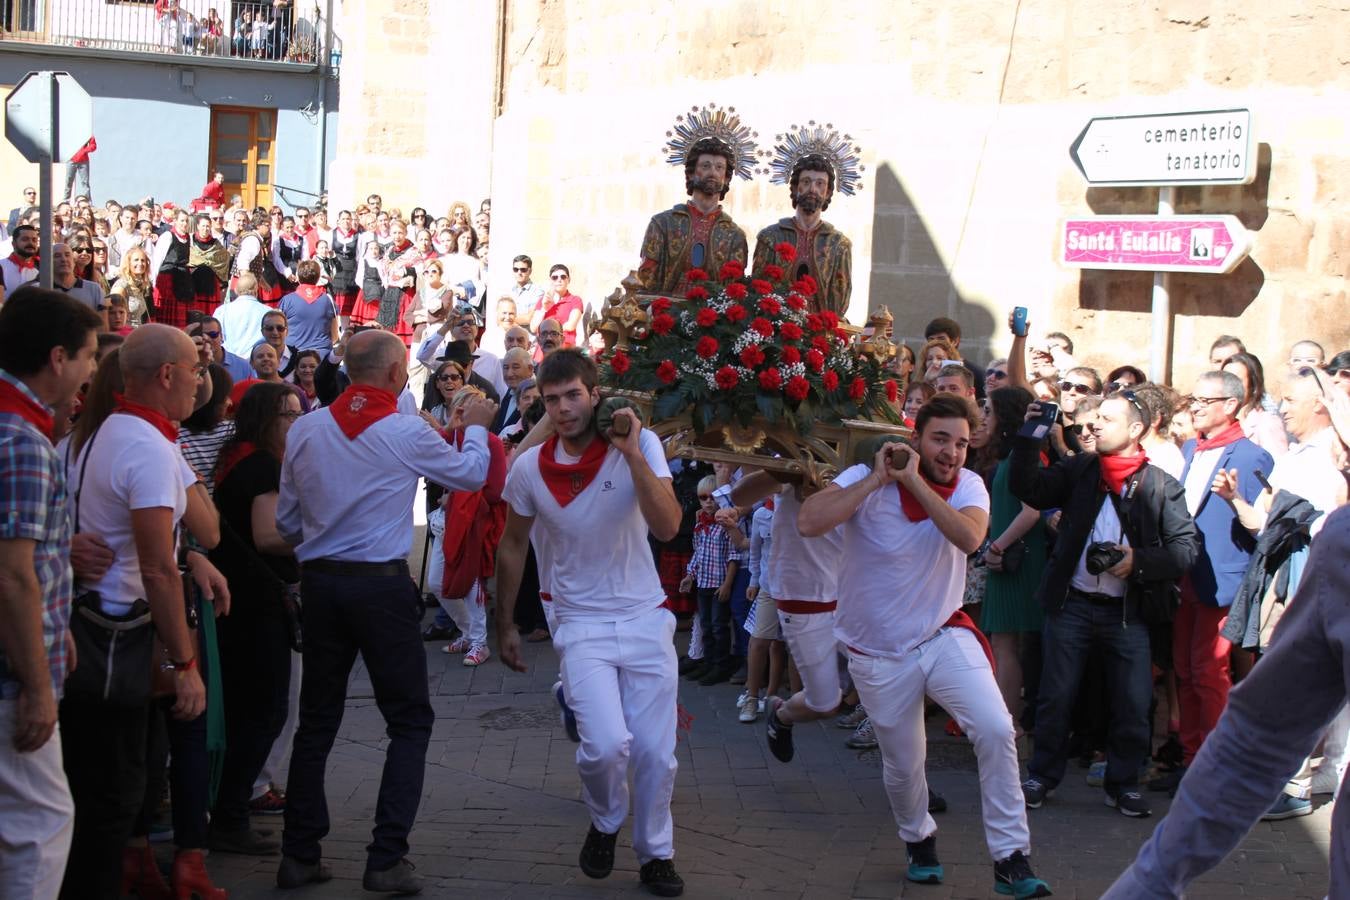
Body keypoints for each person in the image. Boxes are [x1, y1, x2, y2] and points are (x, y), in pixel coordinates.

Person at [797, 395, 1051, 897]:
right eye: (940, 439)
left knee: (998, 728)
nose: (952, 452)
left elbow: (971, 537)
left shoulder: (970, 485)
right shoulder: (867, 477)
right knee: (904, 765)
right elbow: (810, 521)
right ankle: (918, 839)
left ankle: (1010, 857)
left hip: (942, 635)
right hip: (876, 653)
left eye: (960, 442)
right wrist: (878, 479)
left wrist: (913, 481)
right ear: (915, 439)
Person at [274, 330, 494, 894]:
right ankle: (385, 856)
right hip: (380, 585)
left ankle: (299, 853)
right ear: (397, 375)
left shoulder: (306, 427)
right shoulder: (400, 428)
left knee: (317, 721)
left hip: (322, 583)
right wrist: (473, 428)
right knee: (409, 721)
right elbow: (469, 474)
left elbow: (287, 523)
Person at [493, 349, 685, 896]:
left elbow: (669, 526)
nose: (563, 408)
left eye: (573, 395)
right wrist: (503, 624)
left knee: (653, 751)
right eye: (552, 399)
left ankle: (656, 854)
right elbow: (511, 547)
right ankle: (605, 822)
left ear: (595, 394)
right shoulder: (530, 468)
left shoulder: (640, 445)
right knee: (605, 747)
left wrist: (631, 455)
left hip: (645, 615)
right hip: (578, 621)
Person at [1102, 506, 1350, 899]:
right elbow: (1261, 735)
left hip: (1217, 590)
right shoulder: (1344, 542)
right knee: (1192, 671)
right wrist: (1151, 882)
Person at [59, 326, 220, 899]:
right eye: (195, 370)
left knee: (110, 788)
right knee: (116, 795)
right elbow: (156, 568)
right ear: (167, 375)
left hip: (92, 629)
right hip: (117, 639)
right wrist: (185, 664)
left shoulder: (97, 432)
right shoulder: (146, 445)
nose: (201, 382)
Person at [1012, 392, 1199, 820]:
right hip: (1071, 605)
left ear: (1136, 430)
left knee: (1133, 704)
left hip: (1127, 614)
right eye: (1094, 417)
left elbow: (1187, 550)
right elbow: (1030, 489)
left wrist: (1138, 562)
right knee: (1055, 697)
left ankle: (1124, 784)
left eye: (1106, 419)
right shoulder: (1081, 469)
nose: (1093, 425)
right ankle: (1042, 776)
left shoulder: (1160, 486)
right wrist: (1030, 436)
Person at [0, 289, 102, 900]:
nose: (93, 370)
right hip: (13, 677)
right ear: (58, 357)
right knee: (41, 825)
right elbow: (12, 575)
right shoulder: (22, 441)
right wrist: (38, 685)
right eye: (90, 356)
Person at [1143, 373, 1273, 796]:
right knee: (1183, 670)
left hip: (1221, 579)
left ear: (1231, 405)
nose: (1194, 407)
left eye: (1204, 400)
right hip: (1185, 574)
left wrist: (1235, 499)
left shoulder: (1252, 454)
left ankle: (1214, 766)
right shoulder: (1189, 447)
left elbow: (1258, 525)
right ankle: (1191, 758)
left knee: (1209, 672)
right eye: (1192, 400)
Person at [208, 382, 301, 856]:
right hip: (256, 600)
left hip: (236, 597)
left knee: (249, 709)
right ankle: (230, 814)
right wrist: (321, 535)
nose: (296, 421)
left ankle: (226, 809)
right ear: (266, 418)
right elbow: (268, 537)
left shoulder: (236, 456)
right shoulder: (261, 465)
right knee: (266, 710)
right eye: (289, 414)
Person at [427, 385, 508, 666]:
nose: (465, 414)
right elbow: (429, 455)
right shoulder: (449, 437)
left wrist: (458, 498)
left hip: (475, 521)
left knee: (472, 584)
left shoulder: (493, 442)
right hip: (448, 521)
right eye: (460, 408)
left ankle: (479, 642)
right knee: (436, 581)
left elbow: (495, 492)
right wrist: (450, 428)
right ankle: (467, 632)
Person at [639, 135, 749, 296]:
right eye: (706, 166)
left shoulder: (735, 235)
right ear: (691, 174)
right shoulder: (662, 224)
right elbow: (646, 278)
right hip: (665, 314)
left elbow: (735, 288)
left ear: (726, 179)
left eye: (719, 168)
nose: (712, 172)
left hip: (714, 317)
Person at [752, 148, 854, 317]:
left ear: (828, 192)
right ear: (795, 187)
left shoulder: (839, 245)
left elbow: (840, 298)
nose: (813, 189)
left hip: (819, 332)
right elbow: (757, 288)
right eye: (806, 182)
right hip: (775, 330)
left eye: (820, 183)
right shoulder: (770, 237)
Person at [1220, 352, 1288, 456]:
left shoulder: (1266, 423)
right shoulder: (1220, 421)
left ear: (1253, 385)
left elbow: (1277, 466)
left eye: (1236, 380)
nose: (1229, 386)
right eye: (1225, 379)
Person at [278, 260, 338, 353]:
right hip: (321, 355)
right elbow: (334, 336)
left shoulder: (286, 300)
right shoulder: (328, 300)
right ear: (318, 278)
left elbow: (278, 332)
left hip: (294, 356)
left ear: (298, 276)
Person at [149, 208, 195, 328]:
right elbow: (157, 260)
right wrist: (153, 283)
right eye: (182, 221)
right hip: (167, 279)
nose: (184, 224)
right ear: (175, 221)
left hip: (183, 279)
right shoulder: (167, 236)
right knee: (166, 317)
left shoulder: (188, 238)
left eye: (186, 221)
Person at [212, 272, 271, 360]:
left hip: (230, 363)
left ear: (236, 290)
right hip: (257, 364)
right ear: (256, 289)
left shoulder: (222, 311)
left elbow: (215, 338)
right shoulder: (268, 312)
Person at [531, 265, 584, 347]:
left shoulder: (575, 300)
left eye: (563, 277)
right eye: (555, 277)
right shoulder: (543, 300)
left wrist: (548, 332)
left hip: (565, 349)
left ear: (568, 280)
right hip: (543, 349)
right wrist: (544, 309)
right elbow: (533, 328)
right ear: (550, 281)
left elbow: (571, 326)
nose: (559, 280)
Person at [0, 224, 40, 301]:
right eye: (25, 239)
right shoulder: (1, 266)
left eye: (34, 240)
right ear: (13, 244)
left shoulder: (43, 268)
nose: (30, 243)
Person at [509, 254, 544, 322]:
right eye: (516, 269)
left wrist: (507, 319)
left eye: (523, 270)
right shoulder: (509, 291)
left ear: (530, 271)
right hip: (510, 332)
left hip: (526, 332)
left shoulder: (538, 292)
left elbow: (529, 319)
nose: (519, 272)